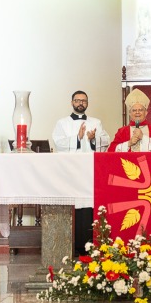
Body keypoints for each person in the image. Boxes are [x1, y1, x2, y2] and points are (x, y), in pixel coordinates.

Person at [55, 90, 109, 252]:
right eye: (77, 100)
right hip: (70, 172)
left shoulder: (96, 122)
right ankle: (73, 246)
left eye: (84, 101)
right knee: (73, 205)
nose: (81, 103)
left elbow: (106, 141)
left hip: (89, 172)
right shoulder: (62, 123)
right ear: (72, 103)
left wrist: (94, 139)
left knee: (89, 206)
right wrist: (77, 138)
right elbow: (58, 143)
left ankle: (90, 245)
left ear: (87, 103)